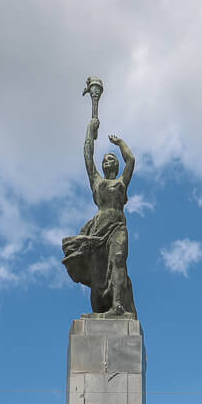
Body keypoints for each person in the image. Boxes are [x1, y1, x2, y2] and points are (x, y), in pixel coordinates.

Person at [61, 115, 137, 316]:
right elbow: (87, 155)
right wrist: (90, 130)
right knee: (98, 273)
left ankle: (118, 305)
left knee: (118, 259)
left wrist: (120, 143)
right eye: (105, 159)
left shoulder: (121, 183)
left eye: (111, 158)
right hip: (97, 231)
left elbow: (131, 160)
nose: (107, 161)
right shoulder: (97, 182)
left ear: (116, 165)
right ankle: (100, 309)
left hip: (117, 227)